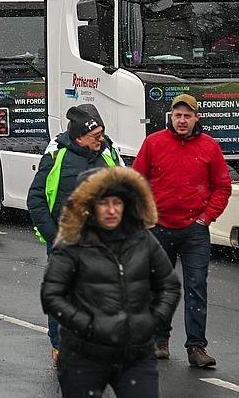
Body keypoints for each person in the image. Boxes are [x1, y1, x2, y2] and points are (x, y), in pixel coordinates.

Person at [41, 167, 182, 398]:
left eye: (117, 202)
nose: (111, 210)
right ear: (89, 206)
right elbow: (52, 294)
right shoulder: (71, 243)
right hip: (83, 356)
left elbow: (169, 285)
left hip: (135, 354)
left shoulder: (142, 239)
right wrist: (86, 324)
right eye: (103, 203)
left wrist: (152, 321)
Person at [132, 93, 231, 367]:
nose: (182, 120)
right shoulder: (154, 143)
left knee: (196, 287)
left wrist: (206, 218)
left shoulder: (209, 147)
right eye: (178, 115)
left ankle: (196, 347)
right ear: (171, 117)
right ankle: (159, 341)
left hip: (194, 231)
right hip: (159, 227)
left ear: (196, 118)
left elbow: (222, 186)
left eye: (188, 115)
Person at [27, 105, 122, 358]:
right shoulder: (57, 154)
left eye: (102, 134)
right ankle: (60, 345)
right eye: (95, 135)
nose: (100, 139)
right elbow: (35, 198)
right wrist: (53, 235)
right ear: (80, 136)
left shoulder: (108, 153)